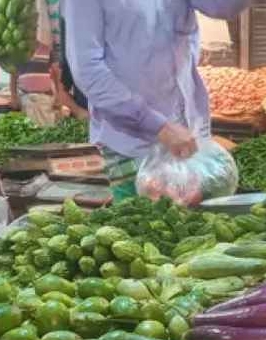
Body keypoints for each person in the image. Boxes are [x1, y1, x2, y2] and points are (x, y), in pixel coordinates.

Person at [63, 0, 250, 201]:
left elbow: (221, 7)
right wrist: (160, 127)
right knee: (137, 218)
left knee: (194, 218)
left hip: (189, 140)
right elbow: (89, 73)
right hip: (129, 149)